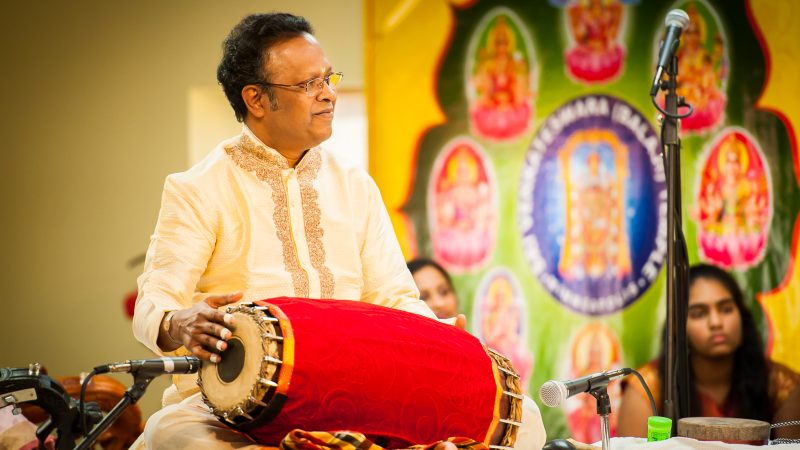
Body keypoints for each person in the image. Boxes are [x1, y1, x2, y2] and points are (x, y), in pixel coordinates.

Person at [131, 13, 545, 450]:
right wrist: (180, 322)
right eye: (308, 84)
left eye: (328, 78)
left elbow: (395, 298)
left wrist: (439, 339)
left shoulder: (354, 185)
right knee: (171, 436)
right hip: (239, 405)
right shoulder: (197, 189)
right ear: (255, 98)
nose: (328, 94)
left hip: (356, 390)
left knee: (524, 419)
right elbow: (154, 303)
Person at [616, 263, 800, 439]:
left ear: (742, 316)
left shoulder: (780, 385)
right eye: (699, 314)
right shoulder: (648, 388)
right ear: (679, 327)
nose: (716, 322)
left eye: (726, 309)